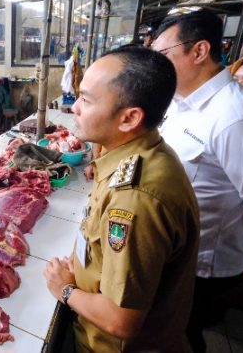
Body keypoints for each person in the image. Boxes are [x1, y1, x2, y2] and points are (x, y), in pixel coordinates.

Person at [152, 10, 243, 353]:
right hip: (172, 255)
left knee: (179, 339)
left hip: (203, 267)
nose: (155, 63)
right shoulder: (179, 103)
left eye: (163, 53)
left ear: (199, 51)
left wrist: (235, 232)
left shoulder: (240, 118)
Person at [44, 47, 200, 352]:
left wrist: (64, 289)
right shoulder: (136, 153)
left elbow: (121, 320)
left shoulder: (135, 198)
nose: (75, 108)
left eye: (86, 99)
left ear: (129, 118)